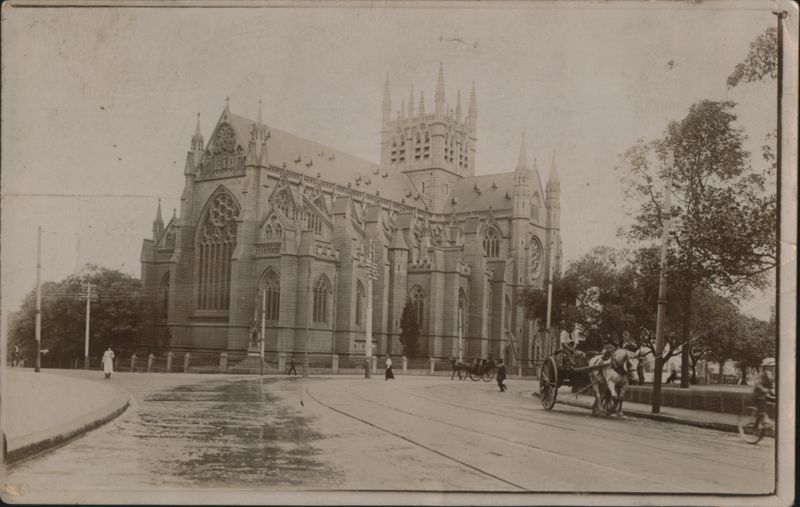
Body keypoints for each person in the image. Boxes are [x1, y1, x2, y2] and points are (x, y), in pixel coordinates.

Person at [753, 357, 776, 428]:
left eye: (773, 366)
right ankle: (759, 424)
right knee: (762, 409)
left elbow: (771, 385)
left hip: (766, 394)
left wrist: (773, 391)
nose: (773, 367)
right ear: (766, 367)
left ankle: (761, 424)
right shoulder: (762, 374)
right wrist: (764, 389)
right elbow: (758, 384)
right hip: (758, 395)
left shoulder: (771, 374)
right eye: (771, 366)